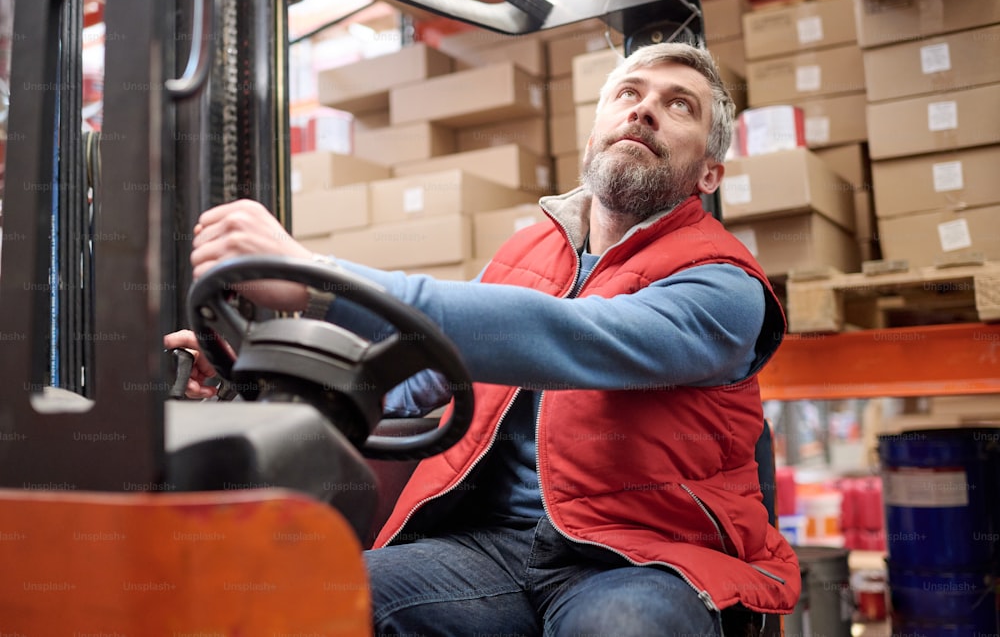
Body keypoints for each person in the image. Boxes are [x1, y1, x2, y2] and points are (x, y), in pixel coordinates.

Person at [165, 41, 800, 636]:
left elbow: (572, 337)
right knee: (319, 595)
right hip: (491, 547)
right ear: (596, 131)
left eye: (678, 104)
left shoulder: (725, 285)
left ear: (710, 173)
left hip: (643, 553)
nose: (645, 109)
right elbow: (412, 375)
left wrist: (320, 284)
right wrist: (252, 373)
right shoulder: (527, 254)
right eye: (628, 93)